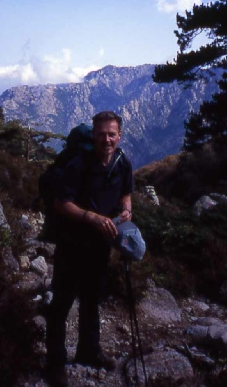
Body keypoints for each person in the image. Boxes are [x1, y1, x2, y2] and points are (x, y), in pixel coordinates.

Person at [45, 111, 134, 387]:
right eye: (101, 134)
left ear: (119, 136)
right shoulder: (78, 164)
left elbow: (126, 193)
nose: (106, 139)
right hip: (72, 243)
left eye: (111, 134)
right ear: (94, 135)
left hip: (100, 245)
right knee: (61, 303)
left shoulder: (122, 163)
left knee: (92, 299)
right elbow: (61, 203)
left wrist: (127, 211)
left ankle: (89, 351)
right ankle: (55, 364)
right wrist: (92, 217)